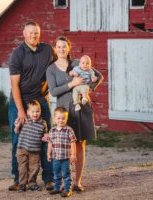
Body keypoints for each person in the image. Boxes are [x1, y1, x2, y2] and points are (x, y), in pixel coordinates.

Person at [46, 36, 104, 192]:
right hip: (63, 111)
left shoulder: (79, 63)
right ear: (55, 48)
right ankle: (63, 181)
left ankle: (77, 182)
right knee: (63, 146)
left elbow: (98, 76)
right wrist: (72, 84)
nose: (62, 49)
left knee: (80, 143)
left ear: (69, 48)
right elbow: (53, 91)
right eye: (59, 47)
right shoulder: (51, 69)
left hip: (81, 109)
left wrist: (88, 89)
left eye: (64, 46)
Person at [8, 21, 55, 191]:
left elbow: (61, 64)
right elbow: (14, 86)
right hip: (19, 102)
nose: (34, 36)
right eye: (30, 33)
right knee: (17, 141)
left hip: (40, 101)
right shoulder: (17, 54)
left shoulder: (48, 50)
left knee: (46, 138)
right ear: (24, 33)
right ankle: (18, 179)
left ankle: (49, 178)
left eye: (36, 33)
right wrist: (21, 111)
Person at [14, 100, 49, 192]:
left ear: (40, 112)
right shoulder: (24, 120)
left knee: (34, 168)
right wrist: (17, 127)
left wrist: (46, 136)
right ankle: (22, 184)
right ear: (28, 112)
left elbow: (45, 133)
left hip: (35, 150)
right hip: (22, 149)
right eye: (33, 112)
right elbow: (16, 132)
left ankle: (32, 183)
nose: (35, 114)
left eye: (37, 111)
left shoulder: (43, 123)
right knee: (22, 167)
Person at [47, 107, 77, 197]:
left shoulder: (69, 130)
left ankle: (67, 189)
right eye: (59, 118)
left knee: (67, 174)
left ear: (66, 119)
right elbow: (50, 143)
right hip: (56, 157)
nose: (61, 120)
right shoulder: (52, 131)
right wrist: (48, 154)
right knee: (56, 174)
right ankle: (57, 188)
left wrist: (73, 154)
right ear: (55, 118)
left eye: (63, 118)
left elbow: (73, 142)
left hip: (66, 158)